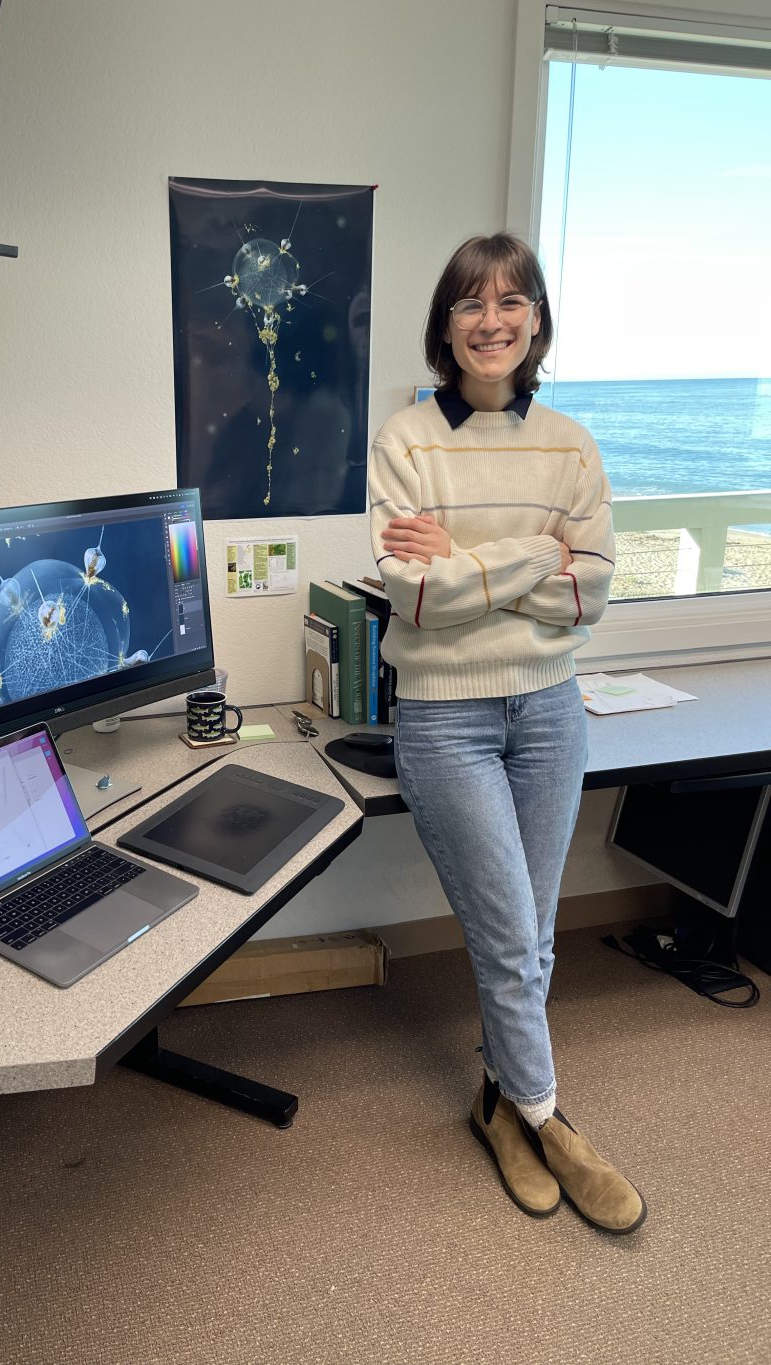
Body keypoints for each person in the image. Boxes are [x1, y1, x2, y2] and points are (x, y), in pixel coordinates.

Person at [367, 232, 646, 1234]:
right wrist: (540, 555)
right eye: (471, 304)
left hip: (550, 713)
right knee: (513, 939)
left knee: (525, 936)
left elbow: (596, 594)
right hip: (445, 718)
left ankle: (497, 1104)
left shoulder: (569, 442)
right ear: (445, 326)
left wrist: (473, 563)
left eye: (511, 301)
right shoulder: (405, 439)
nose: (493, 321)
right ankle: (548, 1117)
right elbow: (411, 596)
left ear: (534, 319)